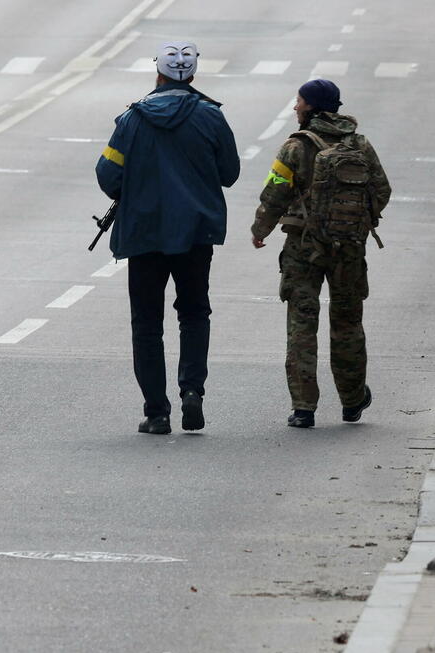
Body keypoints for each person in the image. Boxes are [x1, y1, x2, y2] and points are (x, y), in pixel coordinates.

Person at [96, 42, 239, 435]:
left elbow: (108, 174)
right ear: (193, 75)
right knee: (194, 313)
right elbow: (229, 173)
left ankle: (157, 412)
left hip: (144, 234)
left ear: (156, 73)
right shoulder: (211, 117)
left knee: (147, 324)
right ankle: (192, 390)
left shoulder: (131, 120)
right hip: (195, 233)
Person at [251, 79, 391, 428]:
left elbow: (275, 193)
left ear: (311, 106)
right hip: (349, 248)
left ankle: (303, 408)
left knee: (302, 323)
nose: (295, 107)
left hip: (303, 247)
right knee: (347, 323)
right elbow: (382, 189)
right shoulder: (360, 144)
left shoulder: (295, 147)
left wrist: (260, 230)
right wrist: (357, 221)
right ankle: (352, 400)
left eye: (299, 101)